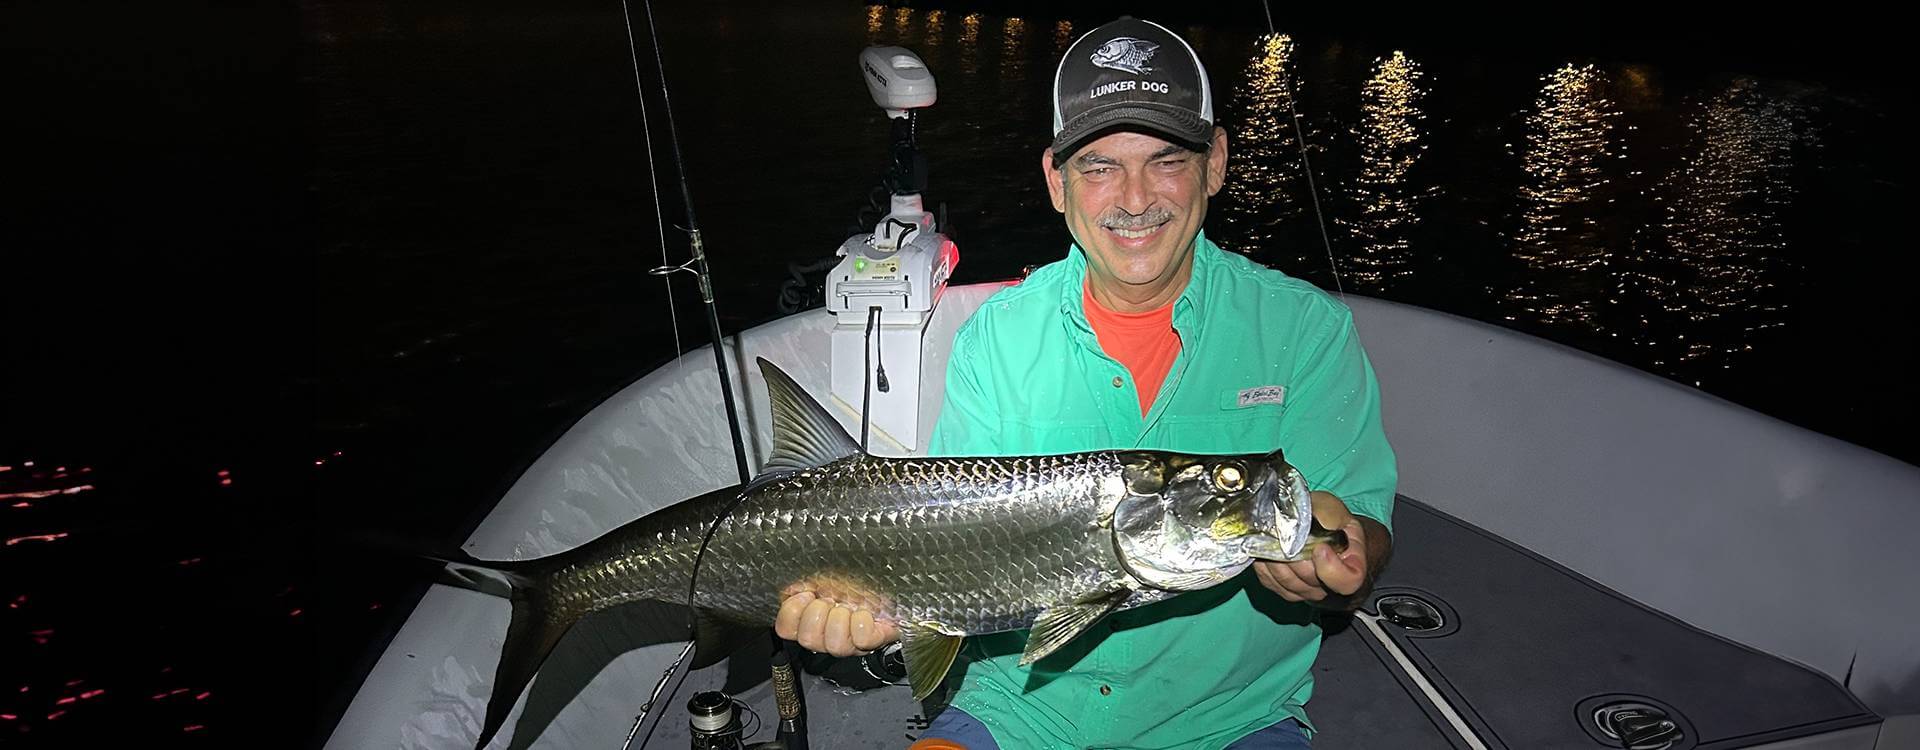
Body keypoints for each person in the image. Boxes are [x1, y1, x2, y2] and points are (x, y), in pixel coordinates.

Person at [777, 17, 1396, 749]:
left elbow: (1361, 524)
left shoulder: (1302, 329)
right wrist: (867, 607)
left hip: (1228, 721)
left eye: (1166, 161)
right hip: (1021, 708)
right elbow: (946, 542)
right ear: (1057, 182)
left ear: (1217, 163)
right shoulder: (999, 338)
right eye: (1099, 167)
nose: (1135, 200)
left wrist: (1344, 553)